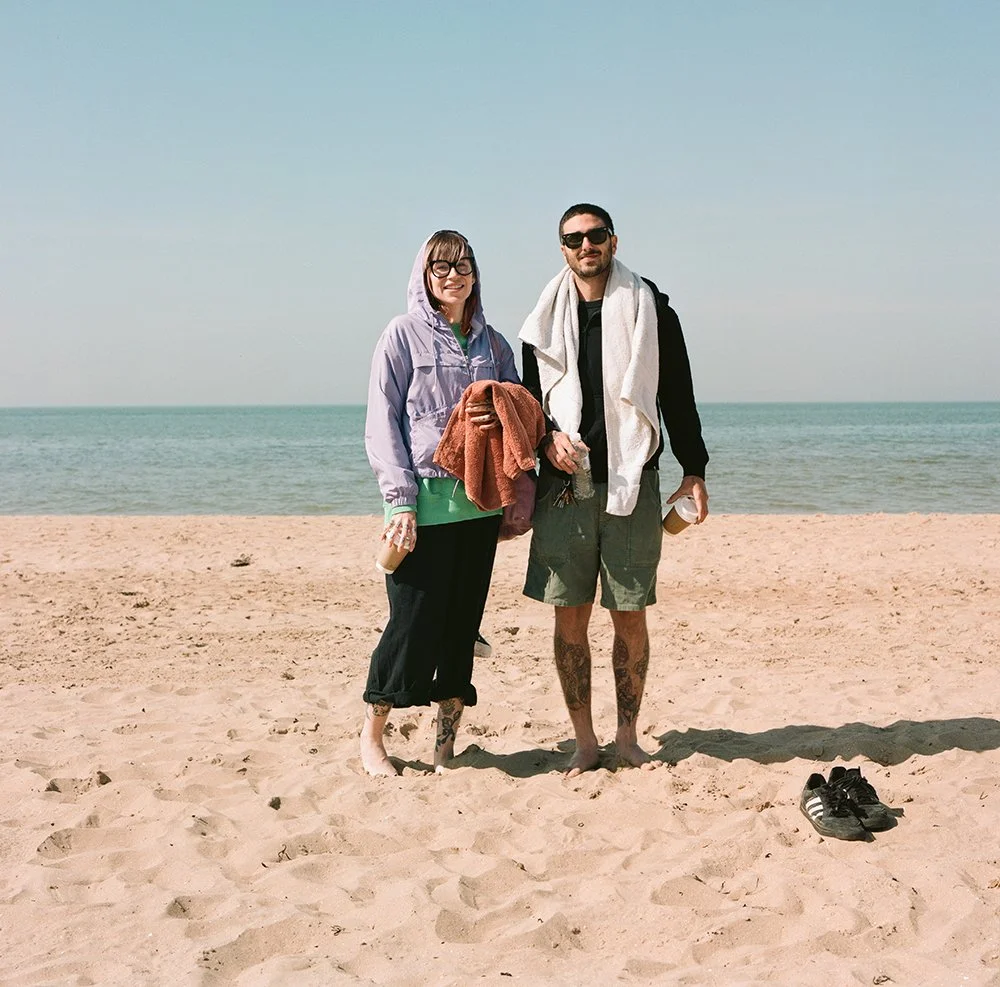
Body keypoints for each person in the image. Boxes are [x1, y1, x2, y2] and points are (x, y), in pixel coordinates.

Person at [520, 203, 710, 776]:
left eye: (595, 235)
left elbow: (677, 390)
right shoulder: (543, 320)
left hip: (634, 481)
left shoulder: (651, 307)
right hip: (564, 488)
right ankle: (584, 741)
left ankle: (627, 738)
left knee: (629, 614)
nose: (586, 246)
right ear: (562, 249)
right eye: (574, 238)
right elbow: (531, 405)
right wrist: (546, 441)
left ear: (613, 240)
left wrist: (694, 467)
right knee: (569, 616)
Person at [363, 230, 520, 777]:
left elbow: (521, 409)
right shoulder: (401, 335)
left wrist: (499, 414)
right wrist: (400, 501)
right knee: (410, 623)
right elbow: (382, 422)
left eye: (463, 266)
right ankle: (373, 739)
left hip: (478, 507)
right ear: (424, 275)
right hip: (422, 505)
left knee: (461, 627)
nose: (452, 275)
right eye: (440, 267)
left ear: (475, 274)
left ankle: (444, 747)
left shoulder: (493, 345)